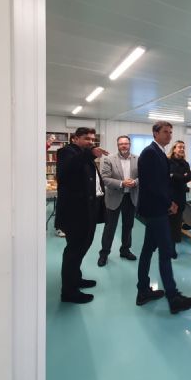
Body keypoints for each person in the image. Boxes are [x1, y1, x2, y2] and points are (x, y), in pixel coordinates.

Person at [136, 121, 191, 314]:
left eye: (171, 132)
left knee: (148, 250)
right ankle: (174, 298)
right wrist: (168, 203)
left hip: (156, 208)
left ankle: (143, 291)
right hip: (156, 210)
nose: (169, 135)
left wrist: (168, 201)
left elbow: (162, 182)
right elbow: (152, 185)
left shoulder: (158, 152)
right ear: (155, 133)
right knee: (165, 253)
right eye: (165, 132)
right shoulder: (150, 153)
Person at [55, 127, 109, 304]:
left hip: (88, 211)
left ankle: (75, 279)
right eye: (86, 138)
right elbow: (66, 170)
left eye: (92, 139)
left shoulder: (84, 154)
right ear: (75, 139)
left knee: (82, 248)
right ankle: (69, 292)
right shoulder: (66, 152)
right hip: (75, 214)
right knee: (74, 252)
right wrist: (90, 154)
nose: (90, 142)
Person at [97, 135, 139, 267]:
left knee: (128, 226)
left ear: (130, 144)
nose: (124, 146)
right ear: (117, 145)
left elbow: (143, 176)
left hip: (130, 197)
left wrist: (135, 182)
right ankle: (104, 254)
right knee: (110, 227)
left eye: (126, 143)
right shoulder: (109, 159)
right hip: (114, 197)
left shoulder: (138, 159)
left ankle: (125, 250)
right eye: (121, 144)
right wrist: (122, 183)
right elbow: (104, 178)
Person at [167, 140, 191, 258]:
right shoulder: (167, 161)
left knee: (176, 225)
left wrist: (174, 175)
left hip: (180, 197)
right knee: (167, 223)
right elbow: (167, 176)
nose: (182, 149)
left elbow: (188, 178)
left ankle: (172, 249)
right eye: (179, 147)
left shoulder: (185, 163)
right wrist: (181, 176)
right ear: (174, 149)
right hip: (169, 197)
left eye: (183, 147)